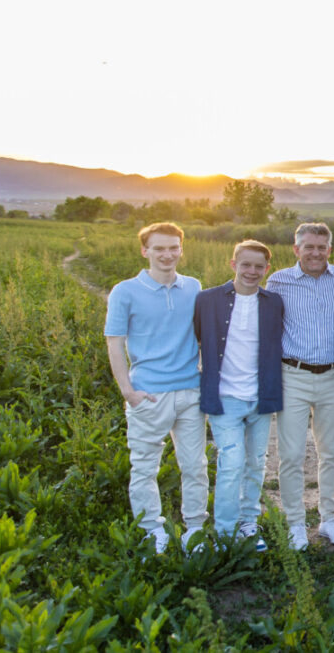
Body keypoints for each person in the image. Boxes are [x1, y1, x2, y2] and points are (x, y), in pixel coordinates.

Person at [104, 222, 207, 554]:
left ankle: (195, 529)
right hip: (148, 394)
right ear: (144, 250)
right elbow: (114, 344)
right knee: (145, 466)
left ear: (181, 249)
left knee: (195, 465)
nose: (167, 254)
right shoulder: (125, 291)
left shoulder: (193, 287)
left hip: (191, 393)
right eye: (159, 248)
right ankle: (152, 531)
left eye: (173, 247)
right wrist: (128, 392)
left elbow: (203, 335)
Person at [194, 240, 283, 552]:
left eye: (259, 266)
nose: (252, 271)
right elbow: (195, 339)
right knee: (231, 463)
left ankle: (248, 523)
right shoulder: (207, 300)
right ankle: (224, 532)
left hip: (261, 397)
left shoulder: (273, 302)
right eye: (246, 264)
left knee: (257, 462)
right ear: (233, 264)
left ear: (267, 270)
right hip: (224, 398)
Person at [267, 223, 334, 550]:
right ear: (296, 248)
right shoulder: (278, 281)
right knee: (290, 455)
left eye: (321, 246)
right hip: (293, 376)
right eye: (308, 246)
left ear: (330, 249)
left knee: (331, 452)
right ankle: (295, 523)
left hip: (333, 375)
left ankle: (329, 519)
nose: (315, 252)